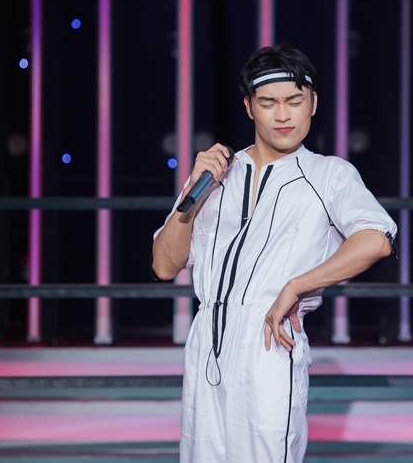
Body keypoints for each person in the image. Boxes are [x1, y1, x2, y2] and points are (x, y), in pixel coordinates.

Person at [151, 43, 397, 463]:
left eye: (294, 102)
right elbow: (163, 265)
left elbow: (377, 238)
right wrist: (192, 187)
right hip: (206, 339)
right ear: (249, 107)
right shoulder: (216, 175)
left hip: (270, 341)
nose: (283, 115)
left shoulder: (328, 173)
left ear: (313, 103)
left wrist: (297, 285)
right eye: (268, 103)